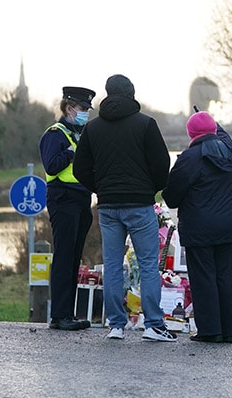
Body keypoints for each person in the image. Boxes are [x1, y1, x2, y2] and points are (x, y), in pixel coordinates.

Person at [73, 74, 176, 342]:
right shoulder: (145, 124)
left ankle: (116, 325)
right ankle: (154, 325)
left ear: (107, 94)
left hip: (108, 206)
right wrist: (150, 188)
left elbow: (80, 169)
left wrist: (101, 188)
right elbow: (161, 162)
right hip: (140, 204)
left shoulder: (93, 129)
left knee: (113, 265)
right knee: (148, 265)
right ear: (131, 93)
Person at [163, 111, 232, 344]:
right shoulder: (229, 153)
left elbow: (172, 197)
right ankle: (228, 330)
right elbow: (224, 137)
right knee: (225, 278)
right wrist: (213, 123)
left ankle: (210, 330)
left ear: (191, 134)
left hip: (199, 228)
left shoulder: (190, 158)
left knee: (203, 278)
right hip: (227, 227)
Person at [39, 85, 96, 331]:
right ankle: (59, 316)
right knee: (63, 256)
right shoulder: (55, 134)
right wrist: (71, 152)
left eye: (87, 109)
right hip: (63, 198)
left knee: (74, 257)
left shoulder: (82, 134)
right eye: (83, 109)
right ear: (69, 107)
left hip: (82, 199)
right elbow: (51, 166)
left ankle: (68, 313)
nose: (86, 113)